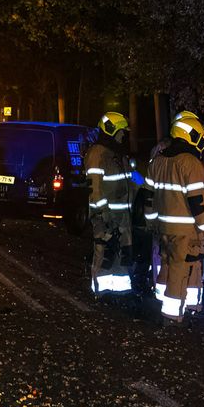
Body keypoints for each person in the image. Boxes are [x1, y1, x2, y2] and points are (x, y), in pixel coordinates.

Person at [144, 115, 204, 325]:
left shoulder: (158, 161)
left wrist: (151, 222)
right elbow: (197, 203)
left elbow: (148, 197)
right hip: (184, 230)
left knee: (166, 264)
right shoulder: (190, 163)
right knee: (178, 269)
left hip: (162, 227)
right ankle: (172, 315)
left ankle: (163, 303)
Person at [85, 112, 138, 296]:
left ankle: (119, 293)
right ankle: (101, 293)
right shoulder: (98, 154)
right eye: (122, 131)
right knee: (105, 253)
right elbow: (95, 189)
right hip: (106, 217)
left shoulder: (117, 154)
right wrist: (103, 215)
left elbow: (131, 180)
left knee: (121, 254)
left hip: (122, 217)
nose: (124, 135)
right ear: (112, 130)